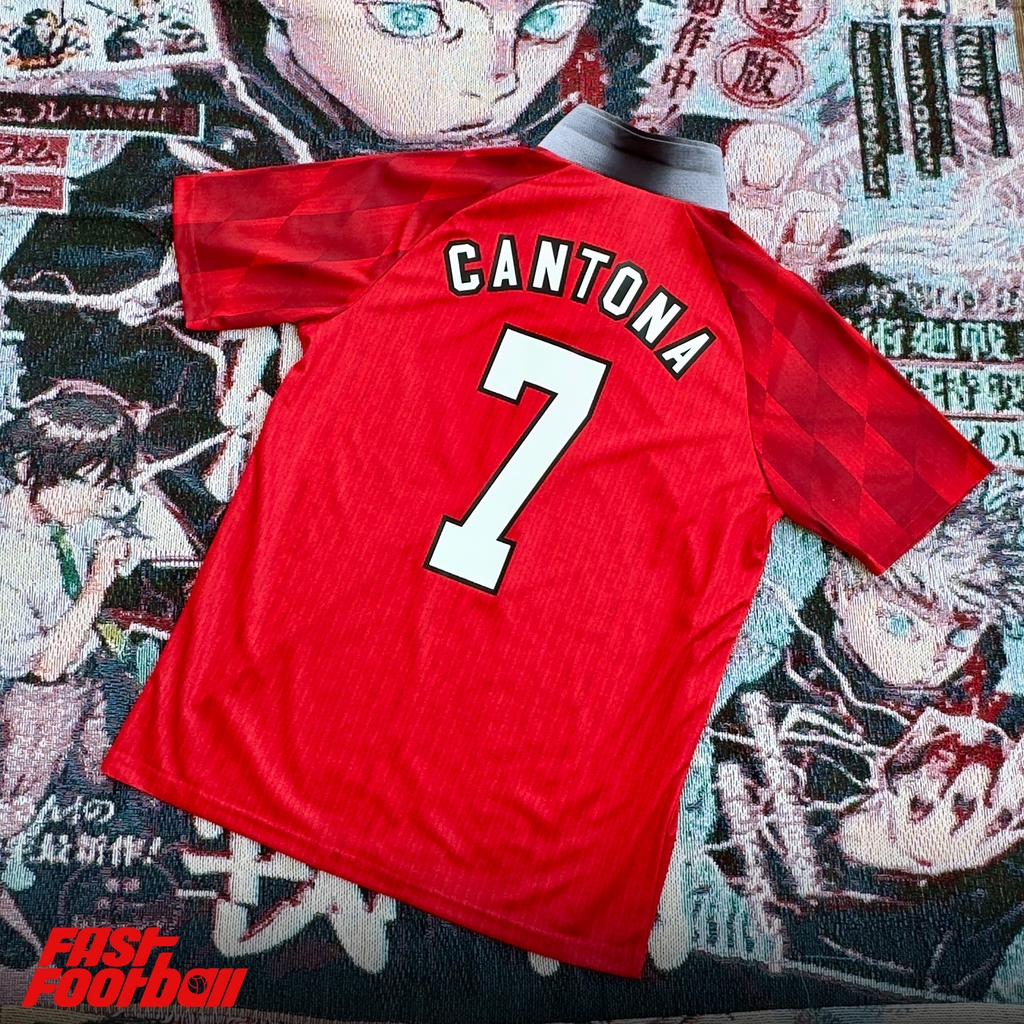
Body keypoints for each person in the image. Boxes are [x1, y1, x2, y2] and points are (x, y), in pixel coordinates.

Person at [708, 475, 1024, 997]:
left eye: (961, 632)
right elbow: (765, 890)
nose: (934, 656)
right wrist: (867, 846)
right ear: (839, 589)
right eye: (901, 624)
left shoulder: (1005, 723)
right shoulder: (764, 723)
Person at [104, 0, 207, 62]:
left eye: (151, 3)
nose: (148, 7)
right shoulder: (134, 25)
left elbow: (190, 36)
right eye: (144, 4)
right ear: (138, 8)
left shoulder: (169, 19)